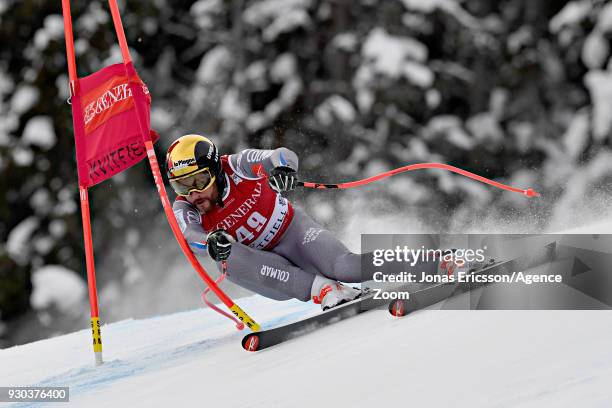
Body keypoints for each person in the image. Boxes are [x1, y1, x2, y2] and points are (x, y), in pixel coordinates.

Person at [166, 134, 366, 310]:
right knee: (226, 259)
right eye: (181, 186)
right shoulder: (185, 207)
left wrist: (283, 169)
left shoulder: (237, 166)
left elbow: (280, 155)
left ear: (216, 170)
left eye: (199, 181)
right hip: (265, 267)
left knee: (346, 268)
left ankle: (396, 262)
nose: (193, 193)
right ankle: (326, 289)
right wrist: (210, 241)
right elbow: (190, 237)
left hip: (293, 234)